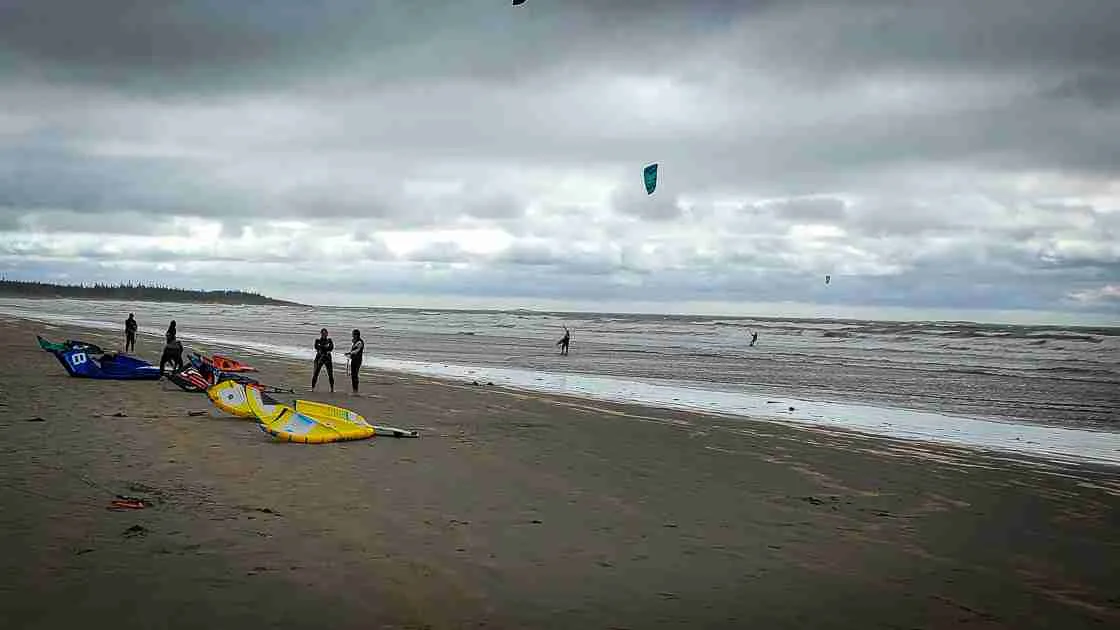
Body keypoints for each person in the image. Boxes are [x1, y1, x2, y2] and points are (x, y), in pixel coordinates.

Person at [312, 328, 335, 392]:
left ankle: (332, 389)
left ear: (327, 334)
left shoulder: (329, 340)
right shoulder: (317, 340)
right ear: (321, 334)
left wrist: (323, 348)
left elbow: (331, 347)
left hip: (327, 358)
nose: (324, 334)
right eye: (323, 333)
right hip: (319, 358)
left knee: (330, 374)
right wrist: (324, 348)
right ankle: (312, 388)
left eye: (325, 333)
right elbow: (316, 347)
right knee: (316, 373)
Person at [344, 329, 365, 394]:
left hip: (358, 360)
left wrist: (349, 353)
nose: (352, 336)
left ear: (356, 335)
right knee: (353, 375)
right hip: (354, 359)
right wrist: (350, 353)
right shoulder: (355, 341)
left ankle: (355, 390)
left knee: (355, 375)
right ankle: (354, 390)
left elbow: (356, 351)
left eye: (353, 334)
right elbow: (354, 350)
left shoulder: (360, 342)